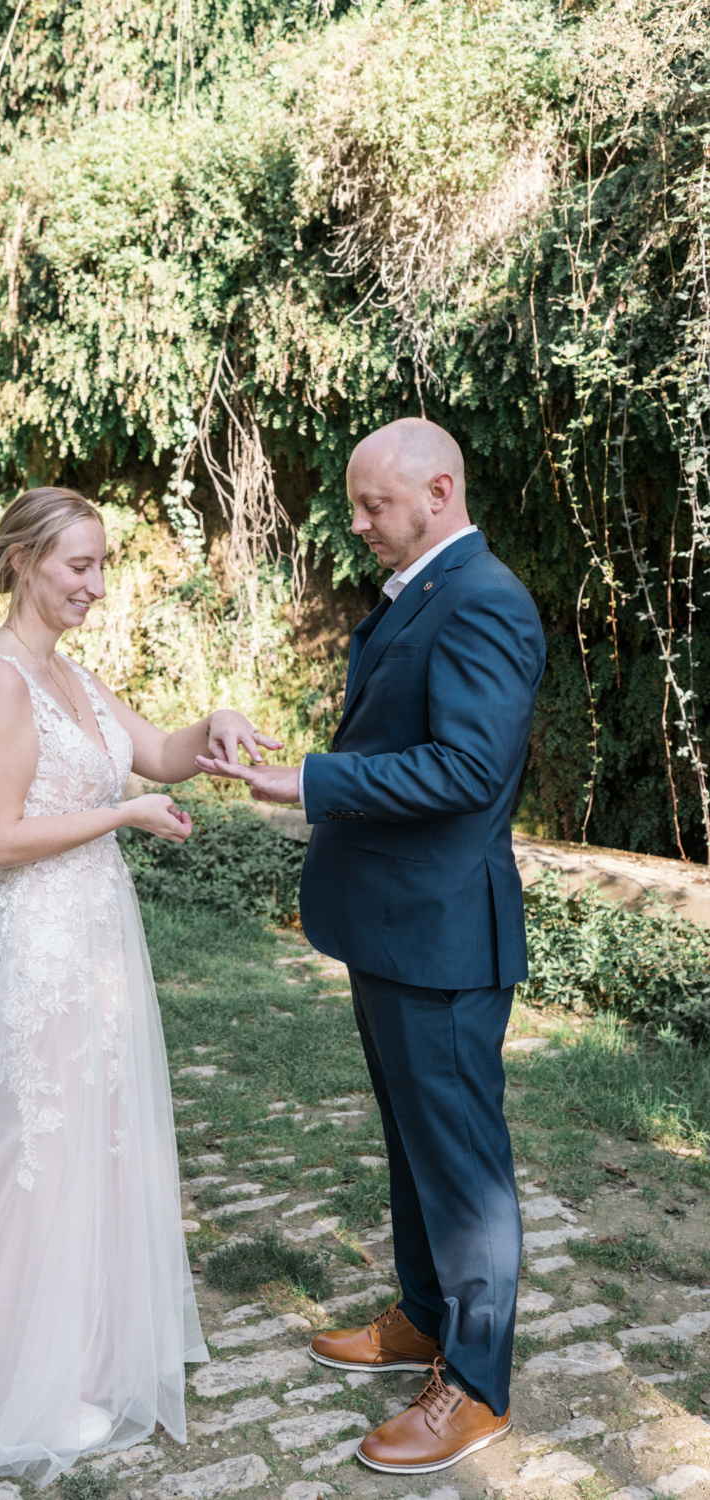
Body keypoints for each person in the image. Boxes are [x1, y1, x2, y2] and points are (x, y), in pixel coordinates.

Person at [0, 487, 279, 1486]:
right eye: (77, 565)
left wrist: (207, 728)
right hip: (37, 945)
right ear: (24, 562)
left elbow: (157, 754)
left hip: (94, 942)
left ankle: (69, 1357)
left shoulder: (69, 673)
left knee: (86, 1140)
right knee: (22, 1157)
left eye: (100, 564)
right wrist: (124, 817)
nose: (94, 584)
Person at [197, 418, 546, 1477]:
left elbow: (464, 772)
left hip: (443, 933)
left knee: (463, 1167)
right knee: (409, 1143)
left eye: (372, 507)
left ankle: (476, 1385)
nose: (355, 526)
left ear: (438, 493)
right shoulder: (429, 591)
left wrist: (314, 781)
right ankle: (424, 1318)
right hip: (391, 925)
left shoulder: (484, 600)